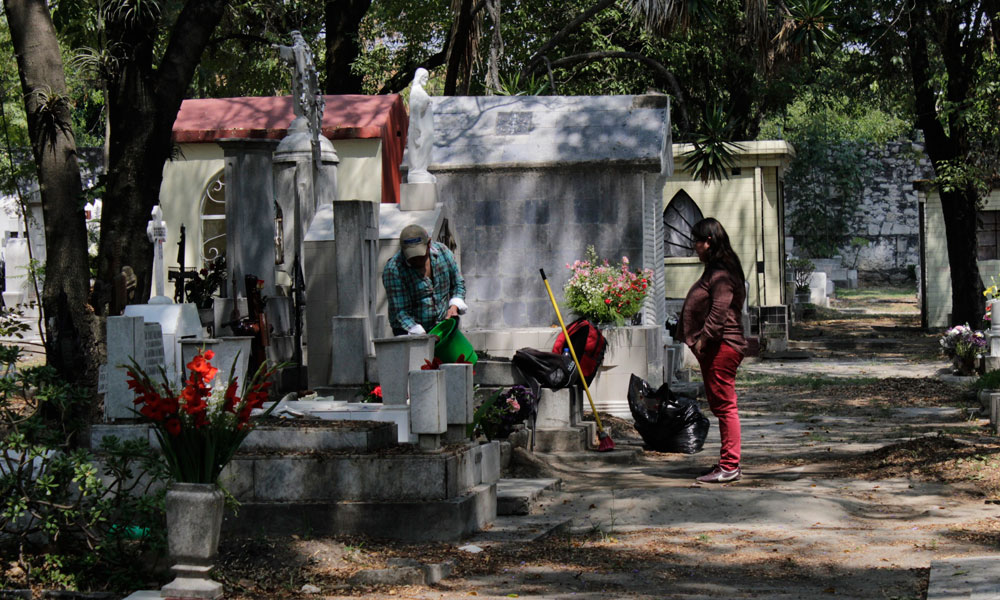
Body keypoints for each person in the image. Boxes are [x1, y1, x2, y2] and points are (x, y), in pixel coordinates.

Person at [678, 217, 747, 483]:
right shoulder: (718, 268)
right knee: (722, 405)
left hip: (722, 346)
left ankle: (729, 466)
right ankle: (729, 463)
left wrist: (704, 339)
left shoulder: (721, 272)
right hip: (718, 346)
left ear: (709, 241)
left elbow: (719, 310)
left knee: (725, 406)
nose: (694, 246)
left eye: (696, 241)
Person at [383, 224, 467, 335]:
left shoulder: (443, 252)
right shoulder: (393, 270)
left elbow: (458, 284)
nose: (417, 261)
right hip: (409, 330)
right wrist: (422, 336)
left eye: (420, 255)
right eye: (412, 257)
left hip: (443, 324)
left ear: (428, 244)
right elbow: (400, 311)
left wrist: (454, 306)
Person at [406, 68, 436, 183]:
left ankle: (422, 169)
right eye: (424, 77)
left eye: (427, 77)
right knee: (422, 144)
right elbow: (415, 113)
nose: (426, 79)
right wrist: (417, 127)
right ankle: (418, 170)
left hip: (426, 127)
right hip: (421, 127)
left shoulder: (420, 91)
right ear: (419, 77)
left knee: (427, 144)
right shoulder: (416, 92)